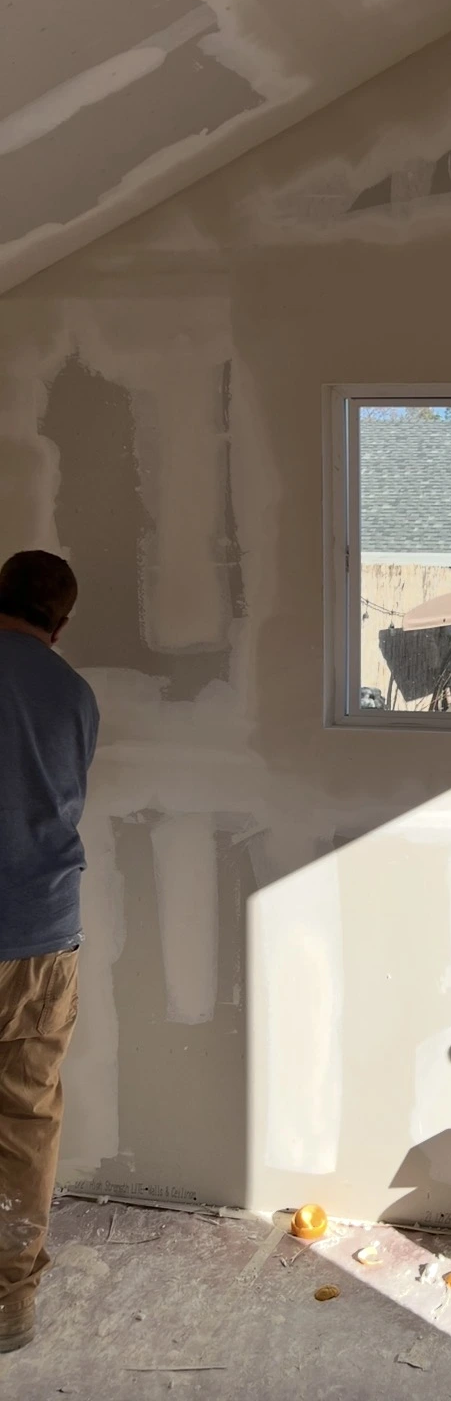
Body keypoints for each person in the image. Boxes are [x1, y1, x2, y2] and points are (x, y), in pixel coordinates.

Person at [0, 552, 98, 1355]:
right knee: (25, 1123)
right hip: (38, 938)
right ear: (59, 624)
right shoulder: (72, 694)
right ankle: (9, 1306)